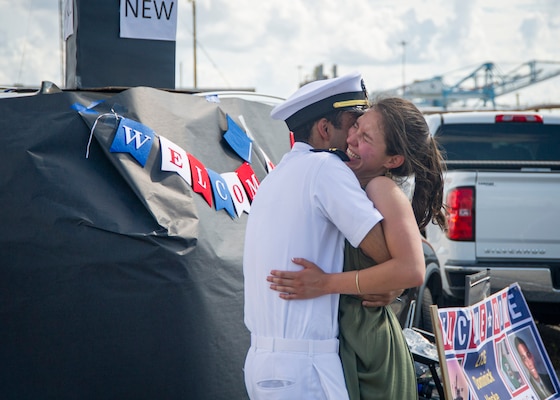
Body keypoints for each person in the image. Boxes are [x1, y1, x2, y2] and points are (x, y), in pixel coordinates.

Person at [243, 73, 425, 400]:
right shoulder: (326, 168)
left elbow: (401, 266)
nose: (353, 137)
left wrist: (389, 280)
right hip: (303, 366)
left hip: (263, 361)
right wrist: (388, 282)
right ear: (326, 130)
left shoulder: (276, 176)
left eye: (364, 132)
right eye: (353, 124)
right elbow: (390, 260)